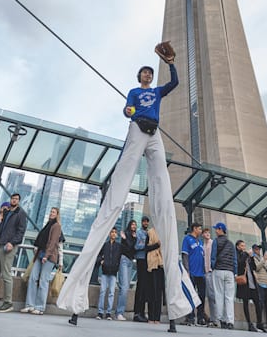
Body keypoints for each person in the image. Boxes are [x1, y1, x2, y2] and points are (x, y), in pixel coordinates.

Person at [57, 44, 198, 325]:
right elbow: (127, 109)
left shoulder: (157, 91)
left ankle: (177, 305)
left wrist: (171, 62)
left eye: (149, 72)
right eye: (144, 72)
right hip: (137, 129)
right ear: (139, 77)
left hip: (155, 133)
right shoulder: (135, 92)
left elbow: (175, 83)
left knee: (162, 186)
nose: (147, 75)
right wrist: (128, 110)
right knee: (121, 182)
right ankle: (76, 300)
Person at [21, 207, 62, 316]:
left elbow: (53, 242)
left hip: (49, 257)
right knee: (33, 278)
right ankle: (29, 305)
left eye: (53, 212)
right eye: (51, 212)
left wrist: (47, 255)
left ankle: (40, 307)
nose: (51, 213)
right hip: (40, 254)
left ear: (57, 214)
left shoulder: (56, 226)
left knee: (43, 280)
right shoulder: (48, 225)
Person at [209, 222, 237, 330]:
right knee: (229, 297)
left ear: (221, 229)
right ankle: (230, 321)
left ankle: (221, 320)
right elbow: (234, 260)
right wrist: (234, 272)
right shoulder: (231, 243)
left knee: (219, 295)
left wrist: (213, 266)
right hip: (230, 272)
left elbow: (213, 256)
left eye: (217, 229)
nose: (215, 231)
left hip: (219, 271)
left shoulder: (216, 241)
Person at [182, 223, 208, 326]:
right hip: (191, 272)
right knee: (190, 295)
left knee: (201, 295)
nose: (201, 231)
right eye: (200, 229)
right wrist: (186, 271)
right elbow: (185, 255)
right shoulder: (187, 239)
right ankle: (190, 317)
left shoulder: (200, 241)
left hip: (201, 273)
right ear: (195, 229)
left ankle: (200, 317)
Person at [236, 240, 264, 332]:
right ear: (238, 247)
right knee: (245, 303)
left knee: (258, 303)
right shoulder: (239, 254)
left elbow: (254, 268)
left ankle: (260, 324)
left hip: (252, 283)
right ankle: (249, 324)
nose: (243, 247)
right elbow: (239, 263)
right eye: (242, 246)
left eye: (244, 245)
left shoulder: (247, 256)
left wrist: (251, 257)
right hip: (244, 284)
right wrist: (246, 254)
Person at [96, 227, 122, 320]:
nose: (113, 234)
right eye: (112, 232)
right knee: (102, 291)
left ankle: (108, 313)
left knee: (111, 292)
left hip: (114, 272)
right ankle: (100, 312)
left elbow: (120, 257)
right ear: (109, 234)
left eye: (115, 232)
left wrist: (117, 266)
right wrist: (101, 261)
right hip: (105, 271)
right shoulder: (105, 245)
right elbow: (98, 256)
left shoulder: (119, 246)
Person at [116, 219, 138, 321]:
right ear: (129, 225)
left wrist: (134, 239)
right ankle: (119, 313)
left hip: (130, 261)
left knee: (125, 287)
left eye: (135, 225)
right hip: (124, 260)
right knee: (124, 288)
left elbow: (134, 249)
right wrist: (125, 239)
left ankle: (120, 312)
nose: (134, 226)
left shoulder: (135, 236)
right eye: (132, 224)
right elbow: (128, 247)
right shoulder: (125, 234)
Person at [203, 227, 218, 326]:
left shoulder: (213, 243)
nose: (207, 234)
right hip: (205, 272)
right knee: (209, 295)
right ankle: (213, 318)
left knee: (213, 296)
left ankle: (215, 319)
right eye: (205, 232)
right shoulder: (203, 245)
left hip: (211, 271)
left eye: (208, 232)